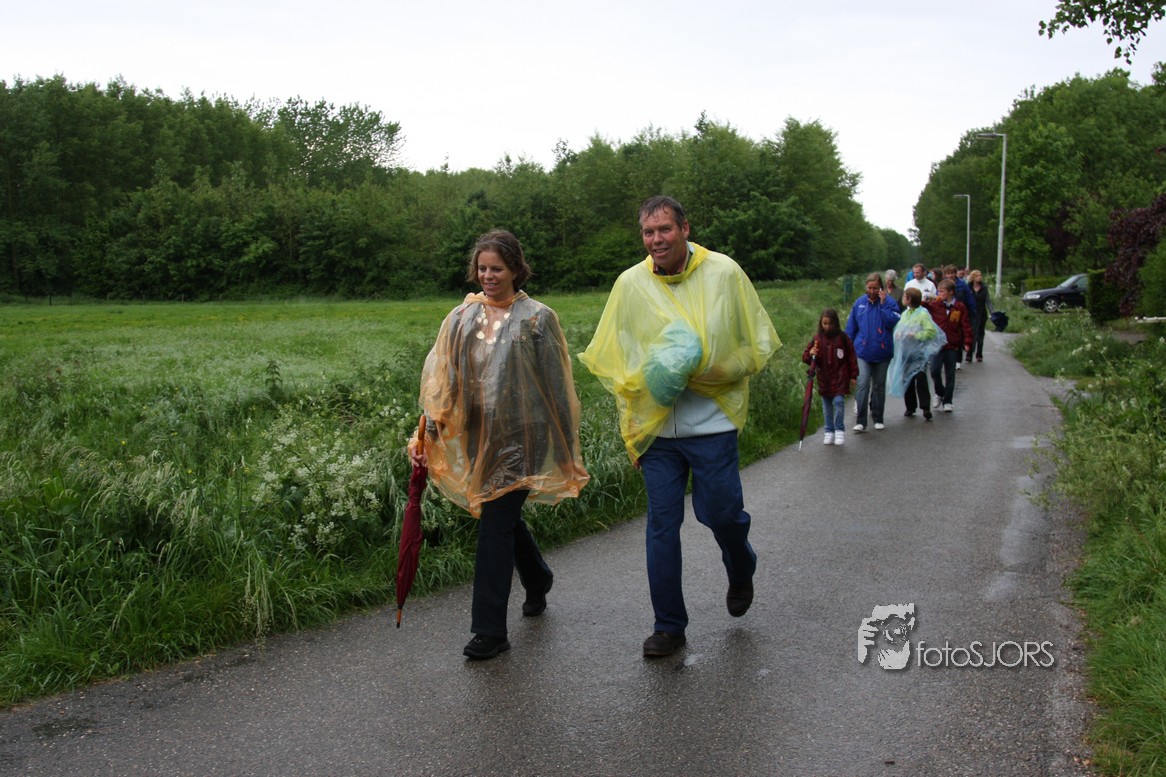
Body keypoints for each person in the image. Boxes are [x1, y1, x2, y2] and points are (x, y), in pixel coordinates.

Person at [580, 196, 780, 658]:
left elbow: (753, 346)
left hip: (711, 424)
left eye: (665, 229)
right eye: (648, 232)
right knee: (661, 527)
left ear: (685, 228)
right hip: (657, 434)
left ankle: (741, 565)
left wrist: (710, 367)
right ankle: (668, 626)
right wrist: (633, 430)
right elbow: (623, 362)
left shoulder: (724, 273)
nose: (657, 240)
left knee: (722, 515)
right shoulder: (630, 284)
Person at [411, 229, 590, 660]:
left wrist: (567, 448)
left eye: (497, 268)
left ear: (515, 269)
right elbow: (444, 382)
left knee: (494, 523)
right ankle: (538, 577)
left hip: (525, 438)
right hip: (478, 435)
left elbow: (557, 388)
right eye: (482, 268)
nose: (488, 276)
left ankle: (489, 631)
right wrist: (427, 433)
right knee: (500, 516)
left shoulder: (538, 318)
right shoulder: (461, 318)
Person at [845, 273, 900, 433]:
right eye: (869, 288)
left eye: (875, 288)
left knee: (879, 386)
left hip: (882, 351)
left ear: (881, 288)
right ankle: (861, 421)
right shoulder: (859, 303)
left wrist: (883, 305)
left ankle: (878, 417)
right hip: (862, 351)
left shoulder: (890, 303)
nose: (872, 291)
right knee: (862, 384)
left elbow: (892, 322)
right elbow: (851, 328)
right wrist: (847, 348)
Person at [802, 308, 858, 445]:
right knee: (826, 406)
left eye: (830, 324)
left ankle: (839, 430)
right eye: (824, 323)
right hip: (824, 378)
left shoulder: (843, 338)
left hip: (840, 377)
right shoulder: (817, 339)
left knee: (838, 402)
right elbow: (806, 357)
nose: (827, 327)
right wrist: (811, 353)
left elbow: (851, 356)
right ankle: (828, 431)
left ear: (835, 323)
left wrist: (853, 375)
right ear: (821, 323)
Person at [887, 287, 944, 421]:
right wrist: (898, 334)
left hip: (918, 352)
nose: (902, 299)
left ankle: (925, 407)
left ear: (909, 299)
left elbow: (931, 331)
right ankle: (910, 407)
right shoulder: (905, 314)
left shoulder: (923, 314)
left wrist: (916, 335)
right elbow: (899, 329)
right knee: (907, 378)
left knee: (920, 379)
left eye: (904, 296)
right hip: (906, 351)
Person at [926, 279, 973, 413]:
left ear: (951, 292)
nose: (939, 294)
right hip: (937, 344)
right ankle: (939, 392)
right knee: (934, 370)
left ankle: (948, 401)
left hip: (952, 345)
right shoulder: (935, 304)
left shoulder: (959, 307)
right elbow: (922, 307)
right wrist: (925, 300)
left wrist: (967, 342)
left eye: (942, 291)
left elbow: (965, 325)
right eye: (938, 291)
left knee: (950, 374)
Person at [942, 265, 978, 367]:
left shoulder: (962, 284)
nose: (950, 275)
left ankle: (957, 359)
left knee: (959, 335)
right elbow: (938, 297)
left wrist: (973, 310)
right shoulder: (942, 284)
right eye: (948, 273)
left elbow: (969, 298)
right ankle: (946, 357)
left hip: (959, 311)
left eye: (952, 273)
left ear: (955, 274)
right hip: (946, 312)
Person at [967, 269, 991, 362]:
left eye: (980, 275)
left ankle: (979, 354)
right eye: (977, 275)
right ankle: (969, 354)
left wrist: (992, 312)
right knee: (971, 333)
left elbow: (988, 301)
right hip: (971, 314)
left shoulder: (984, 288)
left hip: (981, 314)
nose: (979, 277)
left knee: (980, 334)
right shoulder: (968, 287)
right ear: (973, 277)